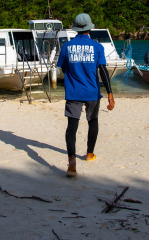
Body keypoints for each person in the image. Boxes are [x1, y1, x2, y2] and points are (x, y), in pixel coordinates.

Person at [57, 13, 115, 177]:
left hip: (73, 92)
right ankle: (89, 154)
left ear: (75, 28)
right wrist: (110, 93)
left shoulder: (67, 46)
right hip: (92, 92)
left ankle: (72, 161)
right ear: (90, 28)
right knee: (93, 121)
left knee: (72, 127)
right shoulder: (97, 47)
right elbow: (103, 71)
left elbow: (62, 68)